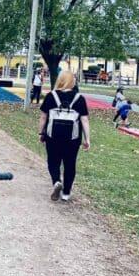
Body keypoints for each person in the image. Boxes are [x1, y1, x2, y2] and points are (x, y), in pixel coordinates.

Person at [37, 71, 91, 202]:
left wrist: (40, 132)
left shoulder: (51, 96)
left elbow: (43, 117)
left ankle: (56, 181)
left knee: (53, 161)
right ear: (73, 82)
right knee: (70, 164)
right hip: (72, 139)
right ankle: (66, 193)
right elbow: (84, 120)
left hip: (53, 136)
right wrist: (87, 139)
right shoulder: (79, 98)